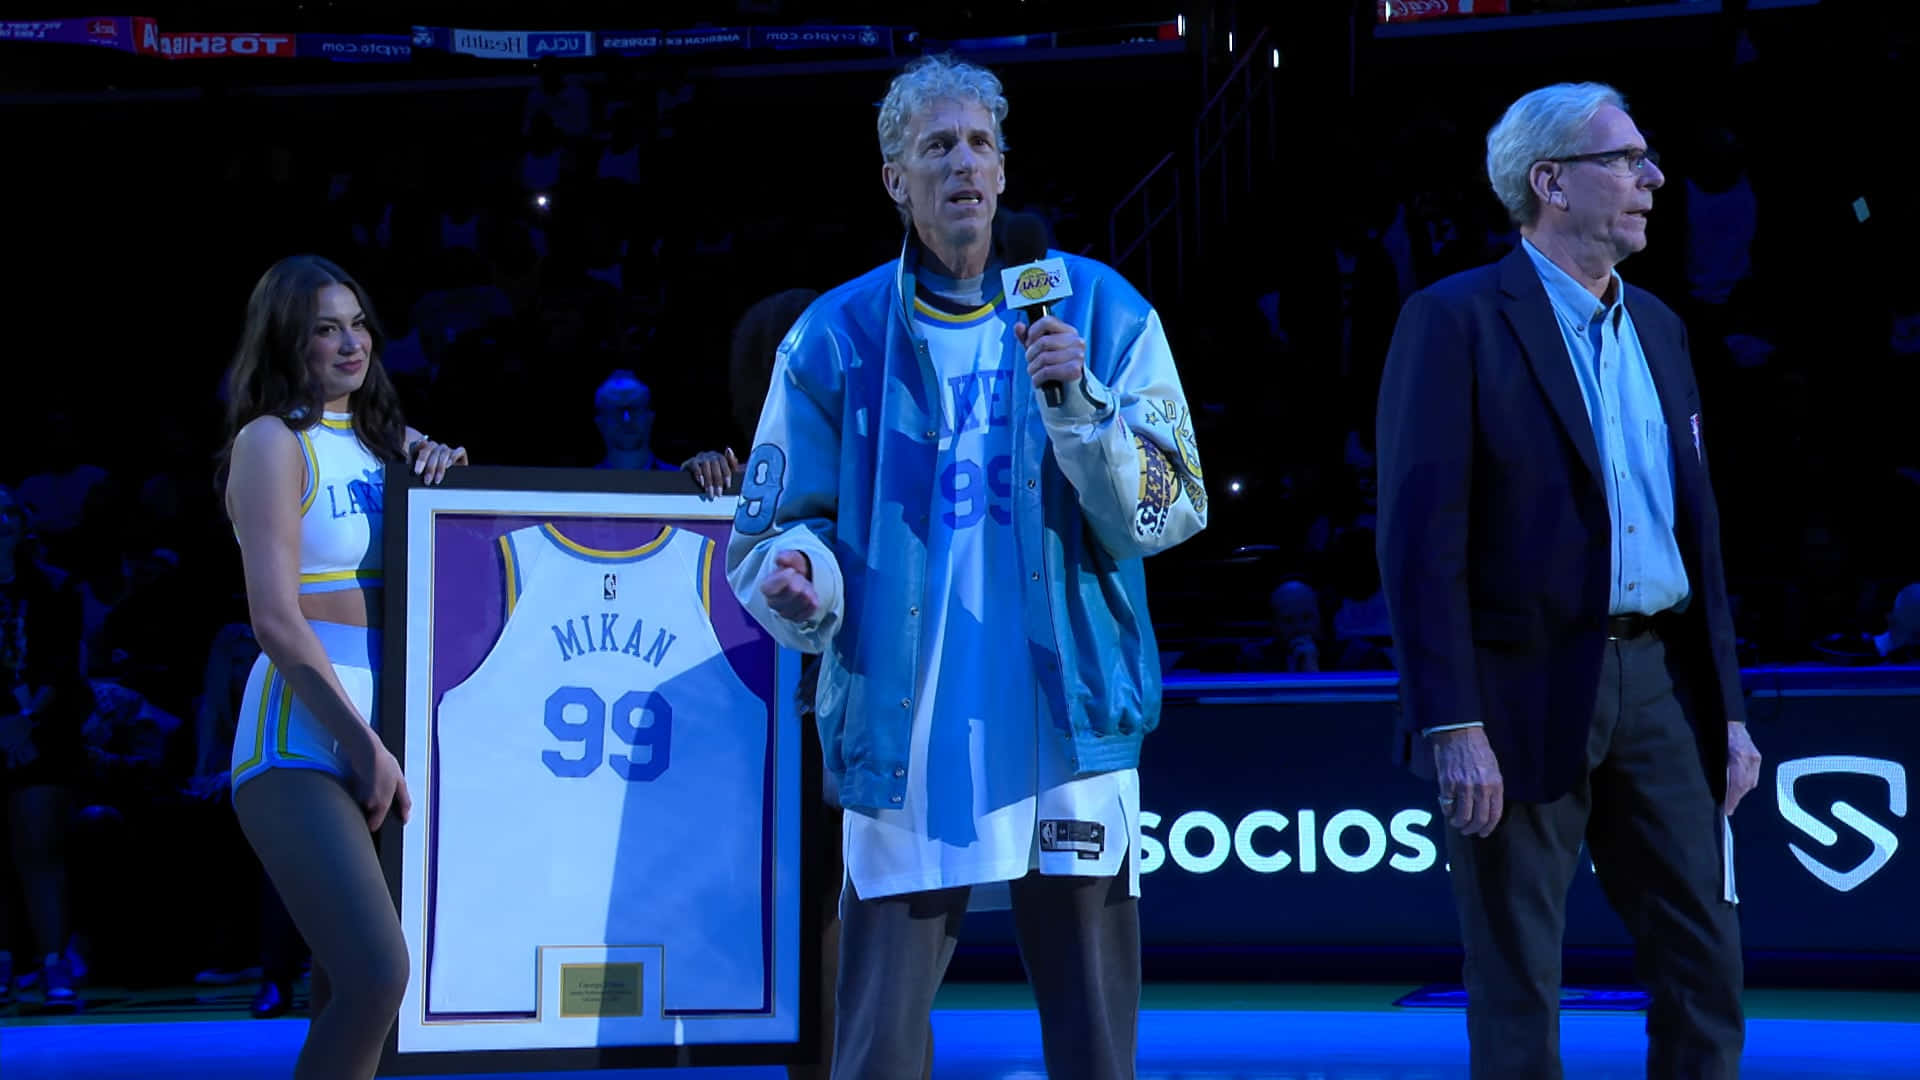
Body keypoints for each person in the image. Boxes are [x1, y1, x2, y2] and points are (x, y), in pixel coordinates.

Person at [726, 53, 1207, 1080]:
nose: (964, 164)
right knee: (877, 1047)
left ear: (1003, 167)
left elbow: (1170, 508)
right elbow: (770, 532)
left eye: (981, 143)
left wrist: (1083, 409)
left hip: (1067, 724)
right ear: (894, 178)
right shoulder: (834, 336)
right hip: (909, 731)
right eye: (936, 146)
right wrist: (800, 579)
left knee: (1094, 1043)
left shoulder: (1100, 311)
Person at [1374, 83, 1760, 1079]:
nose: (1652, 178)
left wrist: (1728, 711)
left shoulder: (1664, 329)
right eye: (1625, 159)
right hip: (1515, 694)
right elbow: (1421, 546)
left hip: (1661, 689)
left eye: (1646, 158)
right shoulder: (1452, 319)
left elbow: (1699, 539)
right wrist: (1450, 723)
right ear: (1550, 182)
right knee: (1517, 977)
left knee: (1705, 958)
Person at [217, 254, 466, 1078]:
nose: (351, 343)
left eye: (358, 323)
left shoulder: (387, 441)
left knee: (366, 1005)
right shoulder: (270, 441)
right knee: (375, 973)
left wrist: (451, 479)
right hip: (300, 738)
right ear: (290, 339)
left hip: (389, 731)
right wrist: (363, 747)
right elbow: (275, 619)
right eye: (326, 328)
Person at [0, 483, 88, 1010]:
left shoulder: (55, 587)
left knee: (41, 851)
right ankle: (7, 962)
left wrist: (25, 721)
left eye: (8, 513)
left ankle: (55, 963)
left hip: (42, 735)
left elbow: (62, 662)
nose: (2, 523)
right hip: (7, 725)